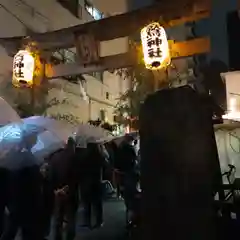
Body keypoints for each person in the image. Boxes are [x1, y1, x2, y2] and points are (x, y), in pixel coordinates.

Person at [1, 135, 42, 240]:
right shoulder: (32, 159)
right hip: (28, 204)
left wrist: (5, 203)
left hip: (12, 203)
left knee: (9, 232)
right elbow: (36, 185)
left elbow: (5, 183)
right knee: (27, 233)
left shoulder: (8, 158)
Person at [51, 137, 79, 240]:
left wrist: (56, 189)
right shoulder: (74, 157)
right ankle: (69, 237)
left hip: (58, 193)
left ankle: (57, 237)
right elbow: (77, 176)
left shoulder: (55, 157)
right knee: (71, 218)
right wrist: (68, 188)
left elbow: (51, 176)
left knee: (58, 218)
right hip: (70, 192)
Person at [79, 142, 109, 229]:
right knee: (97, 204)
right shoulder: (99, 156)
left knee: (87, 204)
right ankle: (99, 221)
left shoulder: (84, 157)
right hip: (97, 182)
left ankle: (87, 222)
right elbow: (106, 165)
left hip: (86, 183)